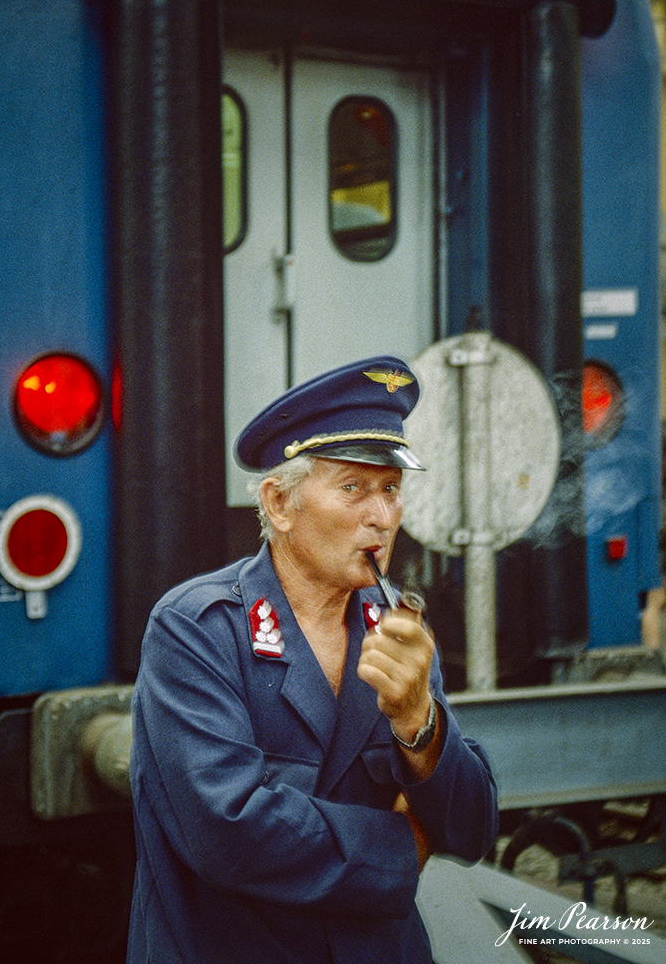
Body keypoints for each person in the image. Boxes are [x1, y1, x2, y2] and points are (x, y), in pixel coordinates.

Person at [127, 355, 499, 964]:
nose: (381, 516)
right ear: (279, 503)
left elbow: (473, 828)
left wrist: (418, 722)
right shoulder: (197, 629)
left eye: (391, 490)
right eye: (353, 487)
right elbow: (229, 832)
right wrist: (403, 844)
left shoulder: (397, 634)